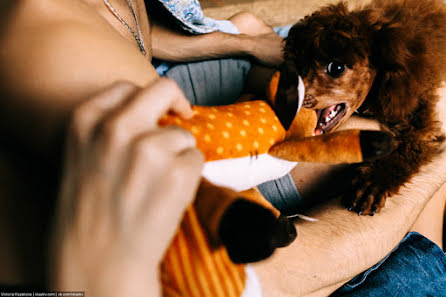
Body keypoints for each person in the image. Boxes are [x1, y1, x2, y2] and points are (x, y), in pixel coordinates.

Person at [0, 0, 445, 295]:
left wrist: (243, 42)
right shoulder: (50, 40)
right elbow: (273, 276)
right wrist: (433, 168)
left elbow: (142, 35)